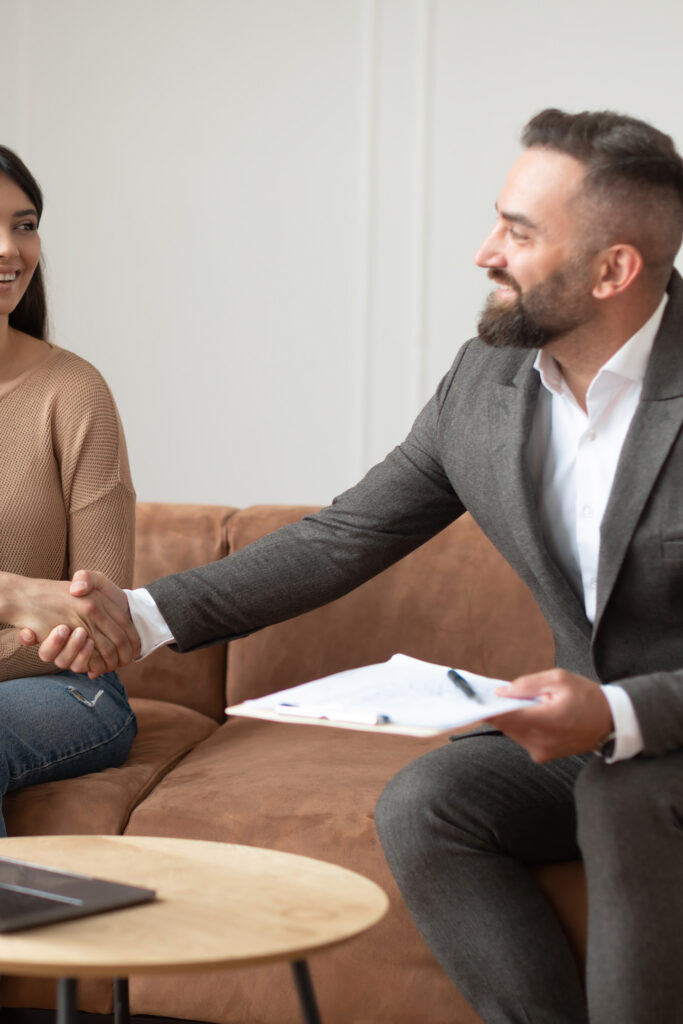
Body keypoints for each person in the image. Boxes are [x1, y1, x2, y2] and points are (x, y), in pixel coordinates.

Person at [11, 108, 683, 1023]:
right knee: (430, 803)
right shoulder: (486, 387)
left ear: (614, 268)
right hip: (588, 739)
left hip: (658, 733)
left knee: (621, 800)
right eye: (497, 218)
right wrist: (141, 614)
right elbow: (345, 535)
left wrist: (615, 710)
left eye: (518, 233)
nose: (483, 251)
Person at [0, 145, 137, 838]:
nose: (9, 249)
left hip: (67, 692)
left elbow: (99, 624)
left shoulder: (73, 391)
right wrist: (12, 593)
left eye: (24, 225)